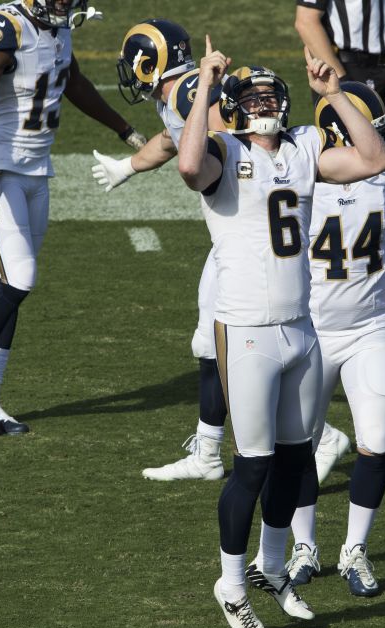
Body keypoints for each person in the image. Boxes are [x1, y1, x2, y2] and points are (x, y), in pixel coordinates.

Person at [178, 39, 385, 628]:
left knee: (297, 460)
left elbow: (373, 159)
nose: (265, 101)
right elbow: (190, 167)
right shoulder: (225, 148)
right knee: (252, 465)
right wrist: (207, 90)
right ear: (234, 106)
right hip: (245, 330)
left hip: (301, 327)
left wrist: (334, 94)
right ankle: (231, 586)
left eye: (272, 93)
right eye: (252, 95)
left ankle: (273, 571)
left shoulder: (301, 147)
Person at [0, 0, 148, 436]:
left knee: (7, 282)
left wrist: (122, 127)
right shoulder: (5, 28)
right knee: (20, 278)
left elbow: (72, 80)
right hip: (0, 170)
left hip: (38, 171)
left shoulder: (57, 29)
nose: (66, 5)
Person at [285, 81, 385, 598]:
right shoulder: (297, 161)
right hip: (310, 326)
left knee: (378, 439)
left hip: (371, 325)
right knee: (298, 444)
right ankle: (304, 546)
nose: (382, 139)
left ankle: (355, 550)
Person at [91, 19, 230, 480]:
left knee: (241, 346)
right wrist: (126, 167)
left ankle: (317, 436)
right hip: (233, 235)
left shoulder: (187, 92)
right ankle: (208, 453)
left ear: (151, 64)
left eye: (134, 67)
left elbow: (225, 140)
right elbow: (174, 139)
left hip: (247, 233)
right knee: (209, 341)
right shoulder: (184, 92)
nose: (131, 77)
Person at [294, 0, 385, 113]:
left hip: (383, 70)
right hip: (345, 68)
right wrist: (340, 80)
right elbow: (306, 22)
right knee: (343, 137)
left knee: (380, 138)